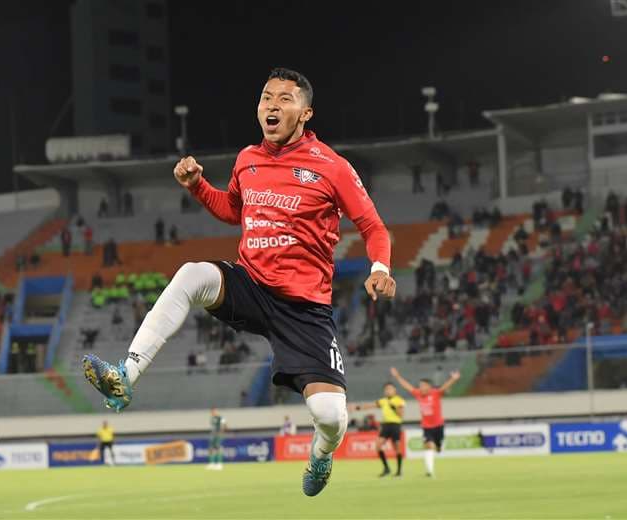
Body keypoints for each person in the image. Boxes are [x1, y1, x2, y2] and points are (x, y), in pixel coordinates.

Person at [82, 67, 395, 497]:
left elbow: (373, 226)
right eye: (267, 96)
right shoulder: (248, 159)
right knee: (192, 273)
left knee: (331, 416)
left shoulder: (332, 167)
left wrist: (380, 269)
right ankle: (125, 375)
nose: (272, 104)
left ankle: (321, 455)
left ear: (305, 113)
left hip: (304, 309)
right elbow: (233, 210)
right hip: (251, 284)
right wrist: (197, 187)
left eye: (285, 98)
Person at [390, 366, 460, 478]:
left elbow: (444, 387)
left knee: (437, 448)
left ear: (429, 386)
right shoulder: (418, 394)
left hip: (438, 426)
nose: (420, 387)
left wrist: (453, 379)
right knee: (428, 446)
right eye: (420, 385)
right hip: (427, 427)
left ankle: (439, 446)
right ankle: (430, 471)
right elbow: (408, 387)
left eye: (422, 385)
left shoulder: (435, 393)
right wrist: (397, 376)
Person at [352, 382, 405, 477]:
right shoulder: (383, 401)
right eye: (386, 389)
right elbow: (371, 406)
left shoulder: (399, 400)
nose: (388, 391)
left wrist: (394, 408)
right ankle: (386, 468)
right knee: (378, 446)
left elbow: (400, 415)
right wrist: (358, 407)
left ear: (394, 390)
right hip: (385, 425)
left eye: (390, 389)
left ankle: (399, 471)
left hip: (395, 425)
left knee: (397, 447)